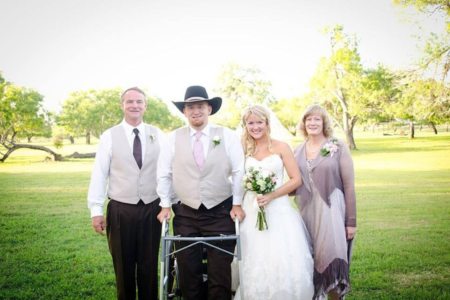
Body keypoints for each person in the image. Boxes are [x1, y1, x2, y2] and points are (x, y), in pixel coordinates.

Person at [156, 85, 245, 300]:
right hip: (186, 212)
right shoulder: (172, 138)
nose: (195, 111)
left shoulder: (227, 135)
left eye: (200, 106)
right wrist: (165, 204)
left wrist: (237, 203)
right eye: (190, 107)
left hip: (220, 211)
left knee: (219, 271)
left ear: (209, 109)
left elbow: (239, 170)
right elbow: (163, 173)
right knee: (188, 269)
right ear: (184, 111)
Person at [87, 87, 165, 300]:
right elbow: (100, 174)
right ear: (122, 105)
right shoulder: (109, 136)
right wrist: (96, 209)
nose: (135, 105)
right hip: (121, 209)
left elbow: (167, 171)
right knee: (123, 267)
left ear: (145, 106)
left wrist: (169, 203)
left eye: (139, 101)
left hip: (152, 208)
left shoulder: (157, 134)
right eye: (130, 101)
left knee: (149, 266)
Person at [233, 104, 314, 300]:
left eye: (259, 122)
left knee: (281, 254)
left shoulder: (281, 147)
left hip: (279, 210)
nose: (255, 127)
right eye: (250, 123)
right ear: (245, 125)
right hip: (251, 210)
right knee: (254, 255)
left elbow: (296, 179)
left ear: (267, 123)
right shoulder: (242, 148)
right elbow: (237, 180)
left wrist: (272, 195)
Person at [294, 104, 357, 300]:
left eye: (317, 119)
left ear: (324, 123)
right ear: (304, 123)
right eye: (308, 119)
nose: (312, 123)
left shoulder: (337, 146)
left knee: (331, 258)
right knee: (311, 259)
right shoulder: (297, 151)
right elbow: (292, 182)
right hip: (306, 213)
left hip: (332, 211)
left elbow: (349, 186)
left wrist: (351, 221)